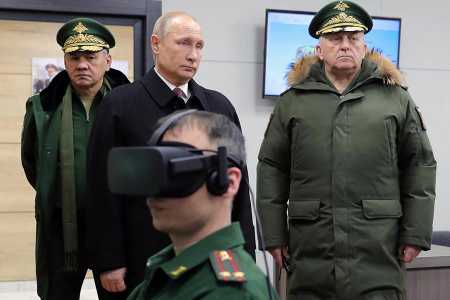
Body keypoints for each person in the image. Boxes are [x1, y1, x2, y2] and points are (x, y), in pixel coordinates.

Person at [257, 1, 436, 299]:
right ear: (319, 49)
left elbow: (419, 165)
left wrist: (416, 233)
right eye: (335, 38)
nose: (345, 45)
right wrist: (274, 235)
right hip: (312, 252)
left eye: (353, 38)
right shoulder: (293, 102)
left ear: (364, 46)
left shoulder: (395, 99)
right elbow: (272, 167)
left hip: (377, 252)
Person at [87, 11, 255, 299]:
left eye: (199, 46)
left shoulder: (218, 107)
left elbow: (236, 191)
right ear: (156, 44)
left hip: (209, 258)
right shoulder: (120, 105)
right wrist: (109, 261)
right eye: (183, 43)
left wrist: (245, 252)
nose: (193, 55)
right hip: (141, 258)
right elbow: (101, 190)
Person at [21, 17, 129, 300]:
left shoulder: (130, 105)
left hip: (116, 228)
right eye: (74, 56)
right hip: (61, 230)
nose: (82, 64)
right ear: (65, 61)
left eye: (90, 56)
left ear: (108, 61)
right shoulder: (42, 107)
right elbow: (33, 165)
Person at [124, 110, 278, 300]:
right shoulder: (168, 271)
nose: (157, 190)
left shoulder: (229, 293)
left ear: (228, 183)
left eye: (176, 171)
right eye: (154, 171)